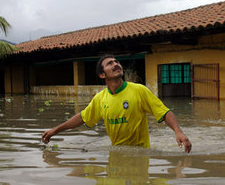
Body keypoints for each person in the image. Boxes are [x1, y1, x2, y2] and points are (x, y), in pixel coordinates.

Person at [42, 55, 192, 153]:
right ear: (102, 75)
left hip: (140, 154)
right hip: (116, 153)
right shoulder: (100, 98)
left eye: (117, 62)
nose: (116, 64)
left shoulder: (139, 90)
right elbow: (82, 117)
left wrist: (178, 131)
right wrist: (55, 130)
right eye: (110, 63)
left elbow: (165, 112)